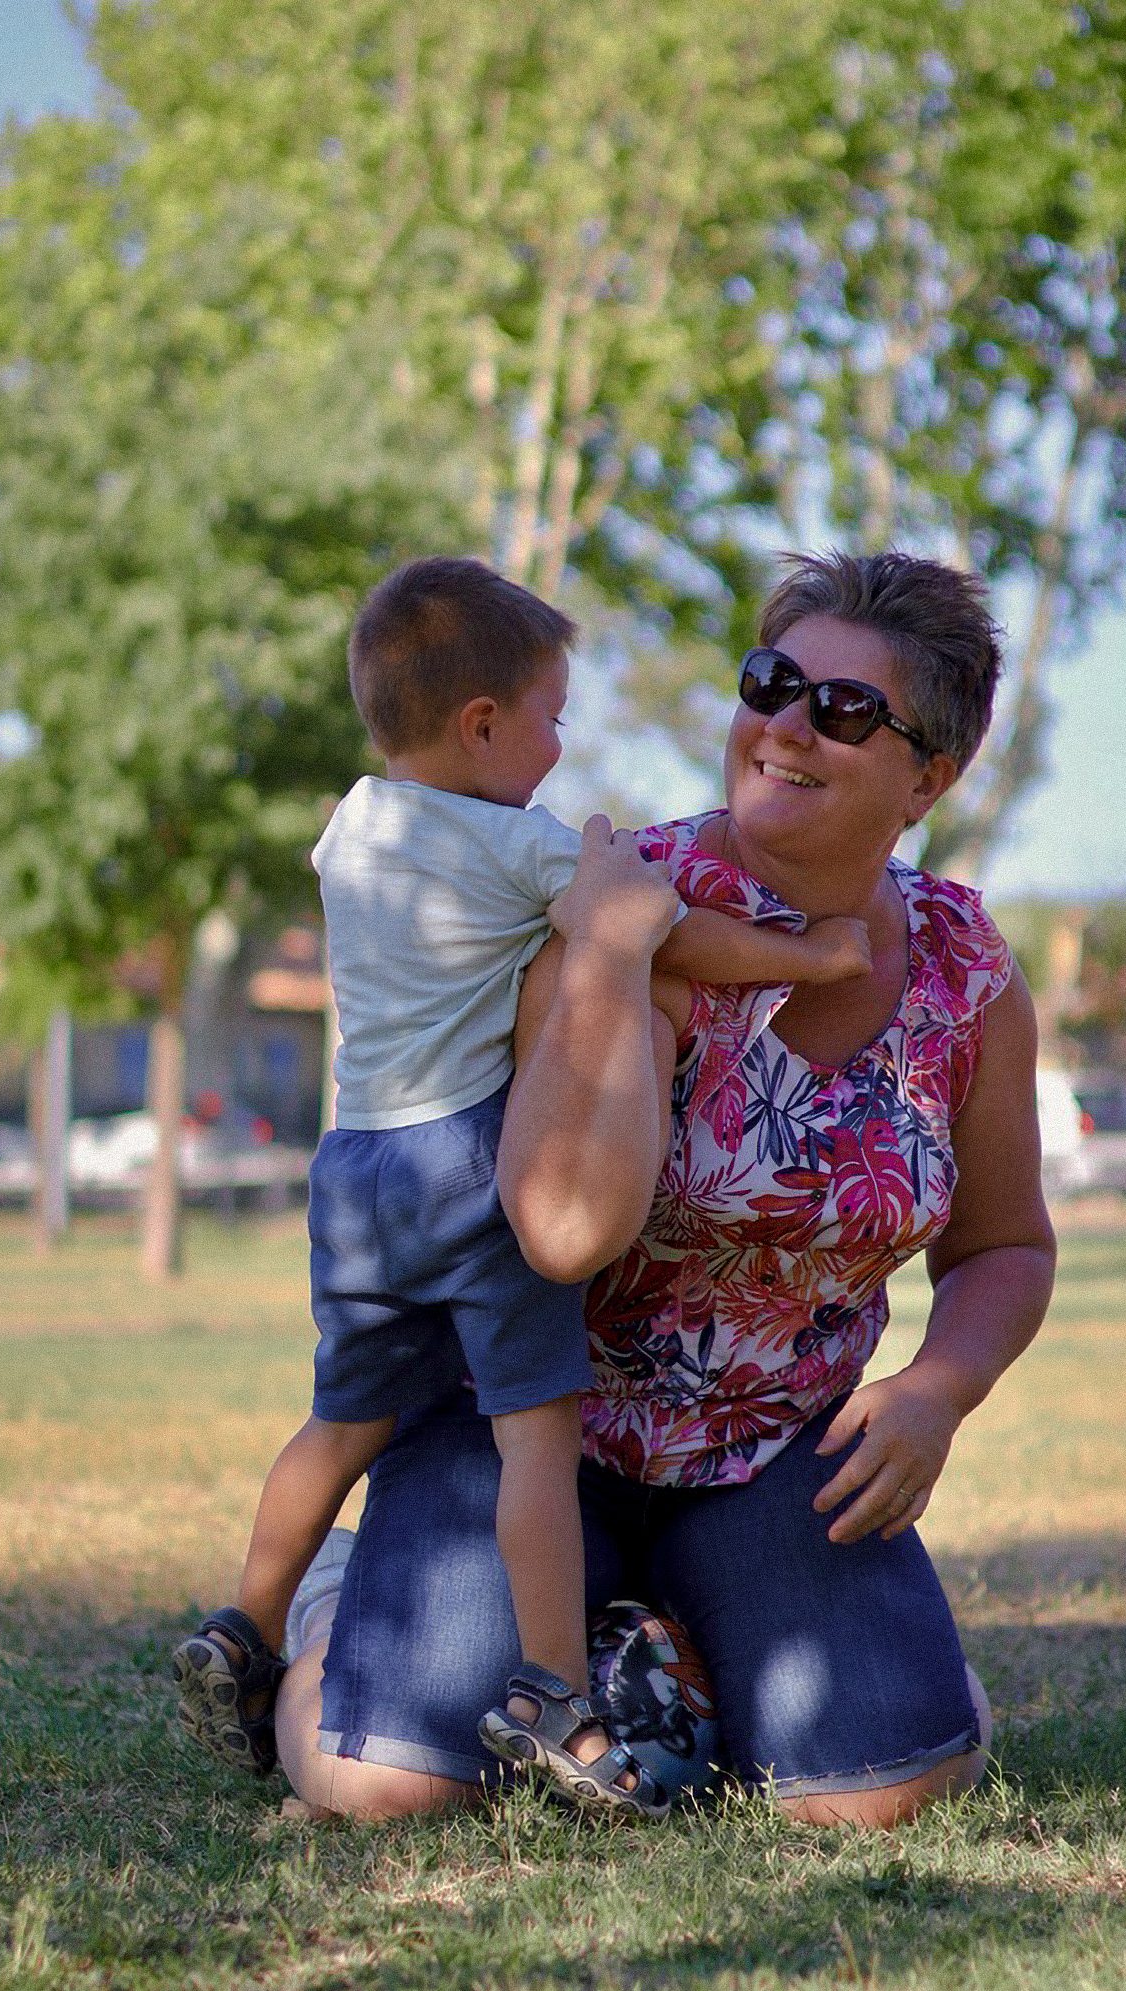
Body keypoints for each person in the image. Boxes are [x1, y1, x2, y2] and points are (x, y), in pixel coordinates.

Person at [272, 547, 1057, 1828]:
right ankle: (338, 1606)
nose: (787, 725)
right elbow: (564, 1229)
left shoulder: (967, 968)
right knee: (382, 1783)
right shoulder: (613, 894)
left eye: (845, 710)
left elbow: (1006, 1243)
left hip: (771, 1447)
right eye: (772, 683)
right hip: (521, 1426)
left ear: (930, 774)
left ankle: (702, 1633)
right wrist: (609, 959)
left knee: (881, 1791)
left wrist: (935, 1390)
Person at [172, 556, 872, 1817]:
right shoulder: (515, 845)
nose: (561, 744)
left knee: (340, 1421)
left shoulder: (352, 825)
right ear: (480, 724)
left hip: (352, 1170)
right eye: (550, 717)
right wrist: (807, 954)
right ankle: (555, 1694)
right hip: (458, 1163)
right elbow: (658, 931)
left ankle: (244, 1620)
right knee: (534, 1442)